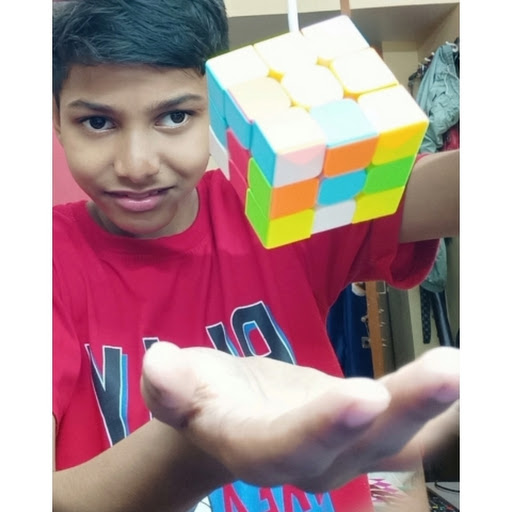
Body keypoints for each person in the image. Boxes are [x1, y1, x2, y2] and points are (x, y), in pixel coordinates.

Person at [52, 1, 460, 511]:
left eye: (174, 116)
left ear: (216, 104)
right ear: (57, 121)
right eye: (97, 122)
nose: (137, 165)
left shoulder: (277, 198)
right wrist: (197, 449)